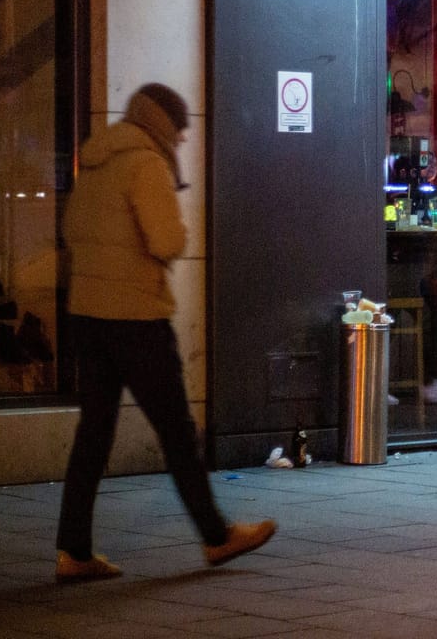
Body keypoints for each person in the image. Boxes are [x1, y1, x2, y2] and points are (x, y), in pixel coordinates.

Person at [54, 84, 275, 582]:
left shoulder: (93, 158)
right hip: (136, 318)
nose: (179, 139)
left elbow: (73, 230)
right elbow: (165, 239)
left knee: (93, 433)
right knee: (177, 432)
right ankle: (217, 537)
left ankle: (73, 550)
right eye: (178, 129)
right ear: (162, 124)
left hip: (87, 316)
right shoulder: (146, 163)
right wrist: (179, 231)